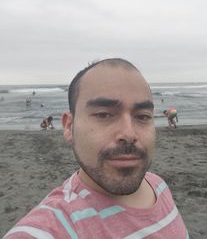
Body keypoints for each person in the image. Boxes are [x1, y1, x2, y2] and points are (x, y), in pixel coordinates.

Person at [4, 58, 188, 238]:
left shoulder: (158, 185)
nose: (129, 134)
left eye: (143, 116)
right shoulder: (51, 227)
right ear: (69, 127)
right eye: (103, 114)